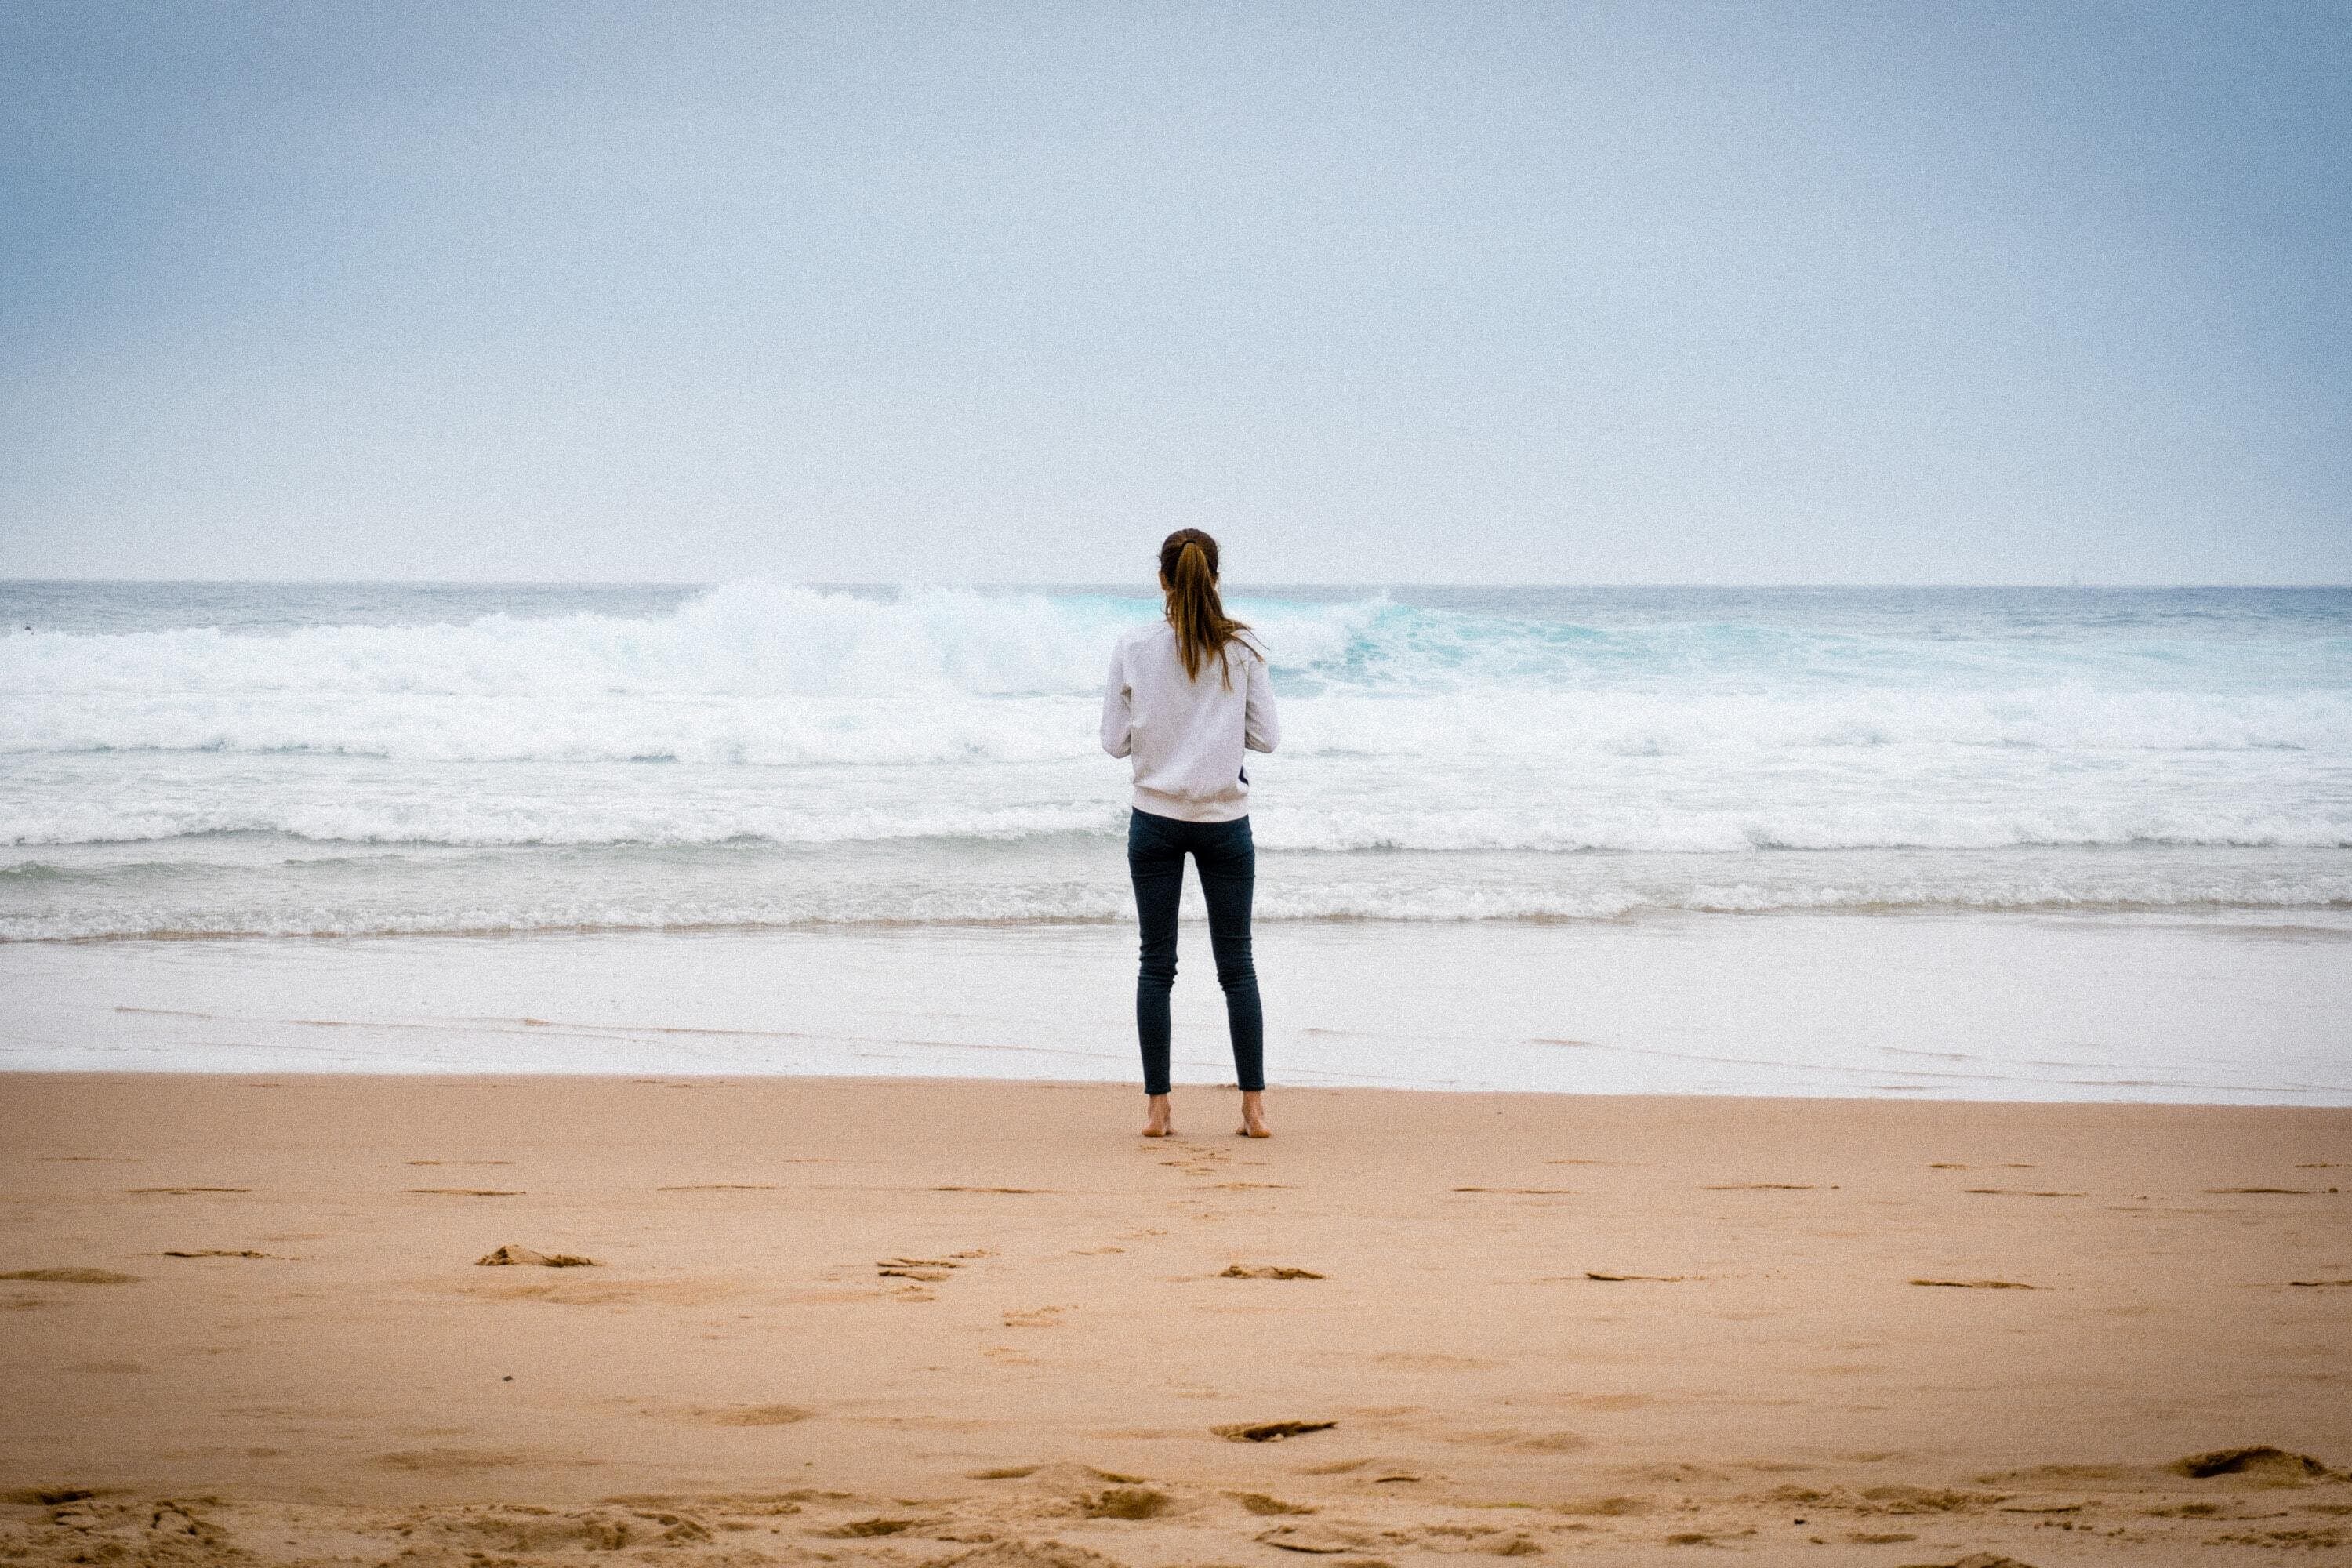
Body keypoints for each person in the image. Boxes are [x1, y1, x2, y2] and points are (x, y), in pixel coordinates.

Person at [1101, 529, 1279, 1139]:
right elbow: (1267, 737)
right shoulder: (1243, 646)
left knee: (1157, 965)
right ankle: (1253, 1109)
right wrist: (1214, 735)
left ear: (1163, 581)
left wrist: (1163, 737)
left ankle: (1158, 1109)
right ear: (1216, 578)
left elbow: (1112, 742)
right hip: (1225, 822)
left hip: (1154, 819)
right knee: (1238, 967)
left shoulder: (1134, 646)